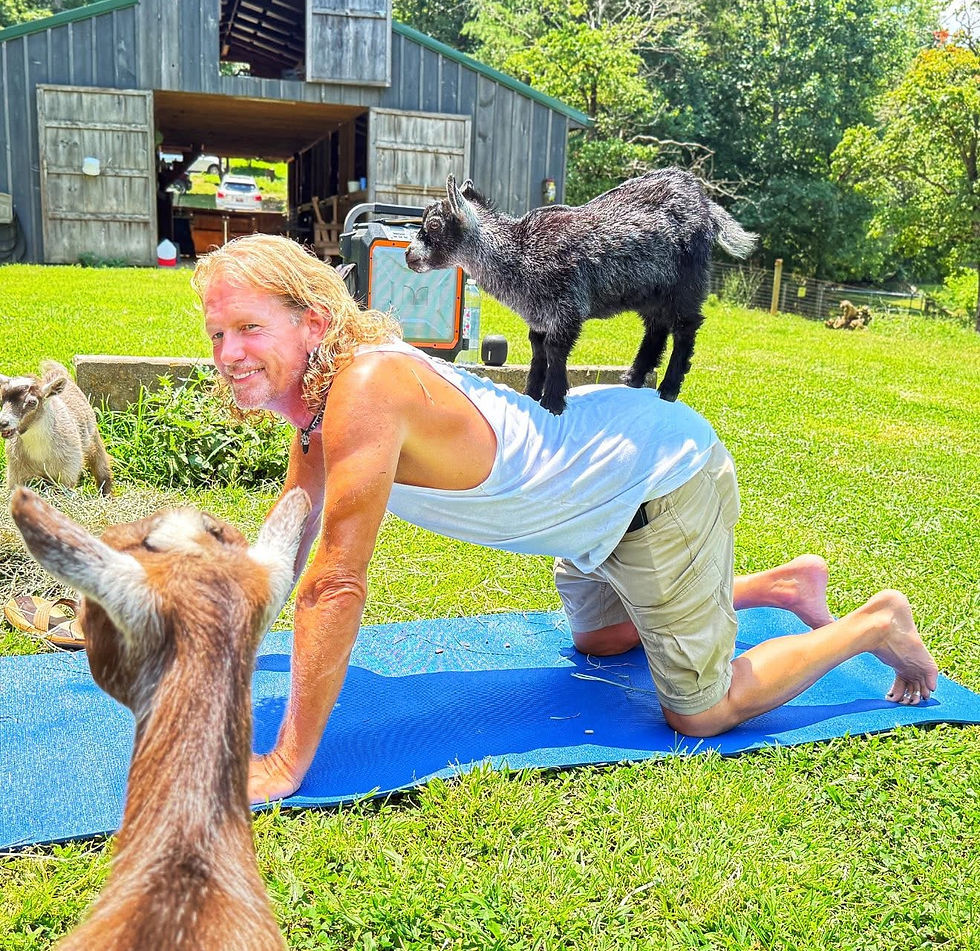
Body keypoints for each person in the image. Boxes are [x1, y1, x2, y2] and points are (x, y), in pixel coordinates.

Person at [191, 234, 940, 804]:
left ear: (313, 320)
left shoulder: (366, 386)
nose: (229, 353)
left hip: (654, 482)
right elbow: (286, 542)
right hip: (587, 503)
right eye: (217, 334)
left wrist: (287, 761)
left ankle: (872, 624)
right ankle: (781, 585)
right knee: (603, 641)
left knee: (702, 712)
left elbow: (334, 584)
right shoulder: (316, 411)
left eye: (249, 328)